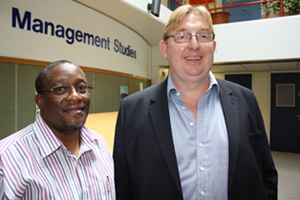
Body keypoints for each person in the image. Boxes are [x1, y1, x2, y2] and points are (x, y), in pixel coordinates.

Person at [113, 5, 277, 200]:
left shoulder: (246, 100)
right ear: (165, 49)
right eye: (182, 36)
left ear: (213, 47)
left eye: (203, 36)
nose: (194, 45)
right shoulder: (132, 110)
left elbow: (265, 175)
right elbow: (123, 186)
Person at [0, 60, 115, 199]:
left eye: (81, 87)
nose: (75, 96)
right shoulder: (6, 159)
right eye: (60, 89)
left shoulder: (99, 144)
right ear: (39, 101)